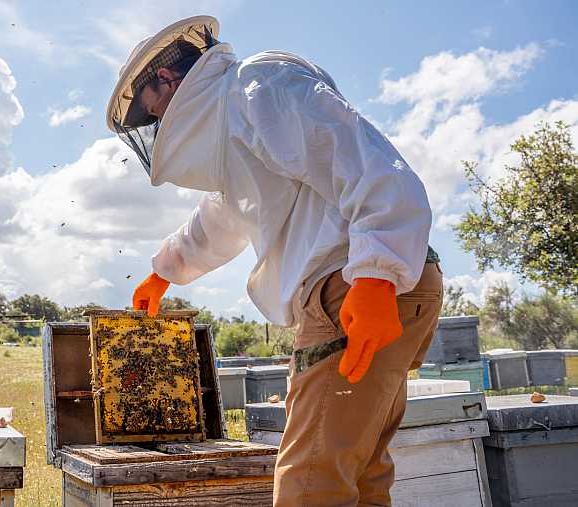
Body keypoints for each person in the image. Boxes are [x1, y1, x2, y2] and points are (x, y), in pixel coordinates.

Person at [106, 15, 443, 507]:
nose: (156, 125)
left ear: (168, 78)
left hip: (354, 282)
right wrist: (165, 271)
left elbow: (360, 157)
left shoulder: (259, 85)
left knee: (310, 487)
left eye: (153, 112)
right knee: (361, 477)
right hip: (368, 280)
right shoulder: (237, 133)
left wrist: (376, 274)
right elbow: (219, 221)